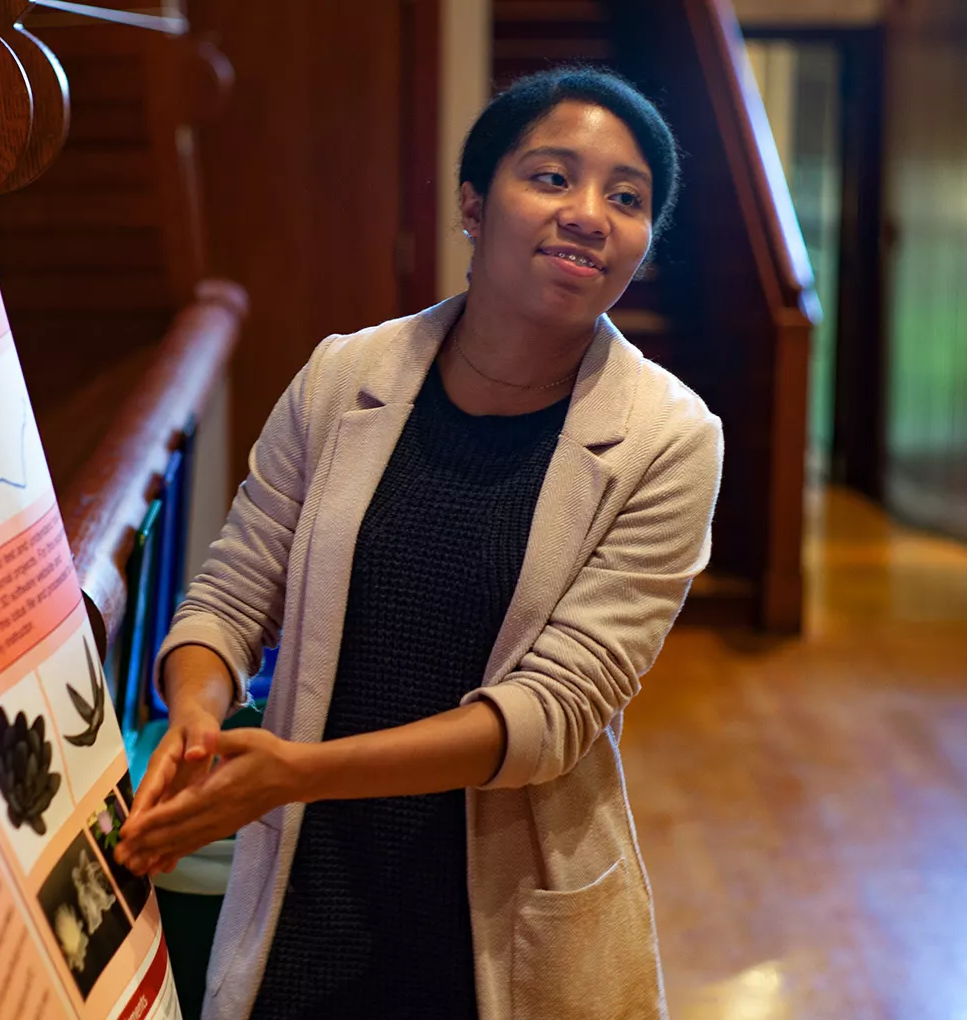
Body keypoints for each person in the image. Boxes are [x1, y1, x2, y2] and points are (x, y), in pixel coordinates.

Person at [114, 66, 722, 1020]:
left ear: (643, 245)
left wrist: (297, 772)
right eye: (553, 177)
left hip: (499, 909)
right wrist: (196, 711)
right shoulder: (344, 374)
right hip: (312, 881)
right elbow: (231, 595)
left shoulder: (670, 439)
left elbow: (549, 715)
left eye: (628, 197)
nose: (590, 214)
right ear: (474, 206)